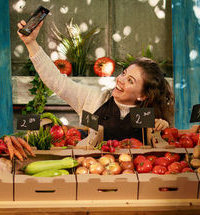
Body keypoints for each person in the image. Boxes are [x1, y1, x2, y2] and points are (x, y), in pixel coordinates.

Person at [17, 20, 173, 141]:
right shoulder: (93, 99)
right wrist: (31, 43)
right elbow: (57, 81)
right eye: (124, 73)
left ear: (143, 96)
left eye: (130, 80)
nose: (120, 79)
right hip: (90, 173)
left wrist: (162, 129)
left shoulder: (150, 119)